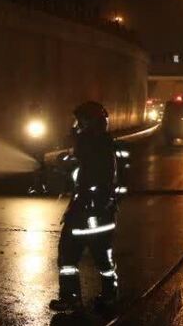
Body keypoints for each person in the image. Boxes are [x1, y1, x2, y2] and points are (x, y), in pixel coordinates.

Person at [49, 101, 126, 313]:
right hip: (103, 214)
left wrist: (65, 160)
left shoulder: (88, 144)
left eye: (79, 122)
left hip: (85, 214)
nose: (75, 126)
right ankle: (110, 296)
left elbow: (77, 169)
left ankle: (71, 298)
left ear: (88, 122)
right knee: (103, 259)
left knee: (67, 255)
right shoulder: (105, 144)